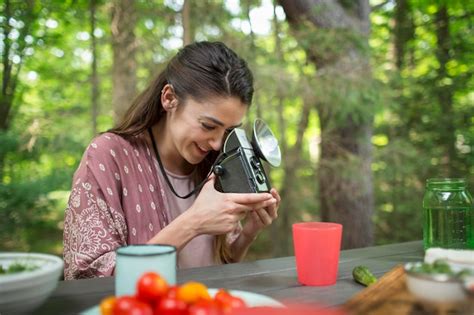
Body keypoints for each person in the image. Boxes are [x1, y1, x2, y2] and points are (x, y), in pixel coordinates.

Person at [63, 41, 281, 280]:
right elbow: (89, 278)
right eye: (208, 126)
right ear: (169, 98)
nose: (218, 144)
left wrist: (249, 233)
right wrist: (193, 222)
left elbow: (219, 263)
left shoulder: (215, 167)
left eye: (229, 130)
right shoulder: (109, 155)